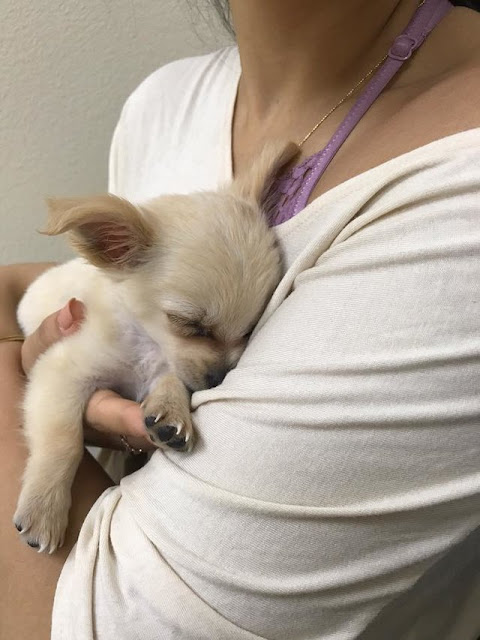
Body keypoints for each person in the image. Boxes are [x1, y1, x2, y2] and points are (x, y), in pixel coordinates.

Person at [1, 1, 480, 638]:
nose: (228, 361)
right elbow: (75, 327)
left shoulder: (457, 193)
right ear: (110, 244)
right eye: (194, 325)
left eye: (250, 331)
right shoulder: (163, 101)